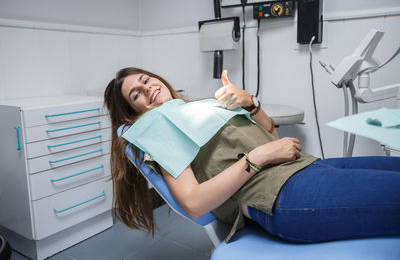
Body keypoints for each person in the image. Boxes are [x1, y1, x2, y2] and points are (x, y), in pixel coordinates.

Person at [104, 67, 400, 243]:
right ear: (133, 112)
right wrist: (258, 157)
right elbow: (193, 203)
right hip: (282, 195)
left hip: (304, 168)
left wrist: (251, 102)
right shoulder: (155, 125)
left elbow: (270, 133)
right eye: (136, 94)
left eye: (145, 80)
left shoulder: (189, 108)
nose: (147, 88)